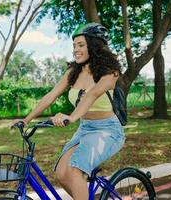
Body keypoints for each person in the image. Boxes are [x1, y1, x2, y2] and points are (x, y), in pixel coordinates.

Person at [10, 23, 125, 199]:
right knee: (61, 173)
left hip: (107, 130)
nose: (75, 50)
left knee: (73, 170)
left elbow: (92, 94)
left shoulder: (110, 72)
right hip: (85, 128)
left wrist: (71, 117)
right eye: (74, 46)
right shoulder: (73, 71)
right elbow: (51, 95)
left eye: (81, 45)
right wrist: (26, 119)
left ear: (93, 46)